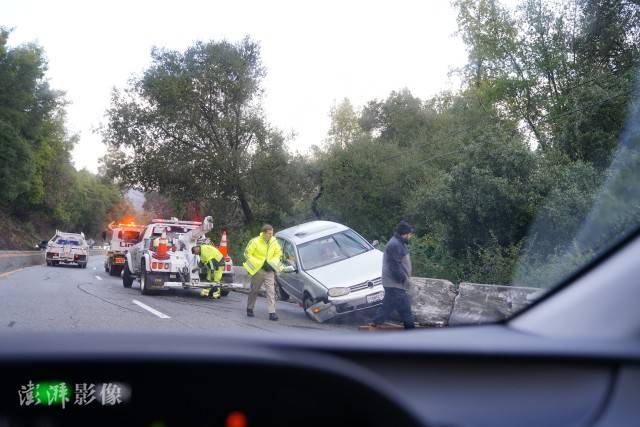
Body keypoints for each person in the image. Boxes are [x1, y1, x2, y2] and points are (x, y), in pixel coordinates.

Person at [243, 224, 292, 321]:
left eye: (272, 233)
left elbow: (278, 253)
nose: (271, 235)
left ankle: (272, 313)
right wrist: (257, 263)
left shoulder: (274, 241)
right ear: (264, 233)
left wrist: (273, 262)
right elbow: (247, 254)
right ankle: (250, 308)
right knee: (254, 290)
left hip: (269, 270)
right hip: (258, 270)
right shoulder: (255, 241)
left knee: (271, 291)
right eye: (269, 233)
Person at [372, 221, 416, 329]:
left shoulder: (398, 243)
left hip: (393, 284)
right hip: (395, 284)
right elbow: (393, 265)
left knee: (387, 306)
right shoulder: (395, 244)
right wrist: (402, 279)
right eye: (409, 234)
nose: (410, 236)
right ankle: (412, 334)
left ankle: (375, 323)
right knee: (406, 311)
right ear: (404, 234)